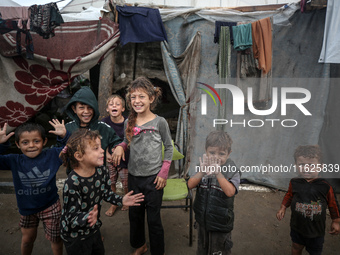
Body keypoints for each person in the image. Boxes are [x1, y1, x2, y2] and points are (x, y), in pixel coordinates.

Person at [112, 77, 173, 255]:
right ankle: (140, 245)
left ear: (151, 99)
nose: (137, 101)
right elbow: (126, 141)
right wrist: (120, 147)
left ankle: (157, 251)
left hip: (154, 180)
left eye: (142, 97)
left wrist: (163, 173)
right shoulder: (128, 122)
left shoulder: (159, 122)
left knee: (154, 220)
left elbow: (169, 148)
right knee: (135, 216)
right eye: (133, 97)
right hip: (134, 178)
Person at [59, 129, 144, 255]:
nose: (102, 150)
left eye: (101, 146)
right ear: (79, 156)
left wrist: (121, 200)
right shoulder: (73, 183)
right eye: (95, 148)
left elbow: (105, 193)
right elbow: (70, 216)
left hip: (94, 229)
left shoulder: (101, 171)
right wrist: (86, 217)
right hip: (76, 236)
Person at [0, 120, 69, 255]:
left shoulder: (53, 155)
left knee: (56, 239)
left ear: (44, 141)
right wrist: (1, 145)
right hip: (27, 208)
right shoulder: (14, 160)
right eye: (25, 142)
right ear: (17, 144)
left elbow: (72, 149)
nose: (31, 146)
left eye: (36, 141)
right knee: (27, 239)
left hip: (51, 207)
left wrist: (64, 136)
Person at [276, 145, 340, 255]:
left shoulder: (325, 186)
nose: (306, 168)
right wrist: (283, 207)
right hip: (297, 227)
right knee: (296, 247)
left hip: (316, 231)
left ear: (320, 167)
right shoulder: (294, 182)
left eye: (311, 165)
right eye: (301, 164)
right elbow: (289, 195)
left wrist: (336, 221)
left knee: (315, 251)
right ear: (295, 165)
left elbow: (333, 204)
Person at [188, 130, 241, 255]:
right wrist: (201, 172)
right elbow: (190, 185)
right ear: (206, 150)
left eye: (221, 154)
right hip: (202, 221)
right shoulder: (201, 166)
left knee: (218, 252)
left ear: (229, 154)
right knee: (202, 250)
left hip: (221, 224)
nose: (216, 157)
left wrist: (218, 173)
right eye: (212, 152)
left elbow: (230, 192)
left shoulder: (232, 170)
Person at [60, 86, 122, 174]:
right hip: (75, 175)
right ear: (74, 109)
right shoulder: (68, 128)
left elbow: (116, 141)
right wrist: (62, 136)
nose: (86, 111)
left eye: (90, 107)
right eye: (81, 107)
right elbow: (61, 152)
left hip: (99, 176)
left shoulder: (103, 128)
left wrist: (119, 147)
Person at [101, 94, 129, 216]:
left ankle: (126, 200)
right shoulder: (104, 123)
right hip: (111, 159)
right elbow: (101, 140)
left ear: (122, 108)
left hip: (125, 159)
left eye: (117, 104)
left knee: (126, 182)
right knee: (112, 181)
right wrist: (106, 152)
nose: (114, 106)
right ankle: (114, 203)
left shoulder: (128, 122)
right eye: (111, 104)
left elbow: (130, 140)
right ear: (107, 109)